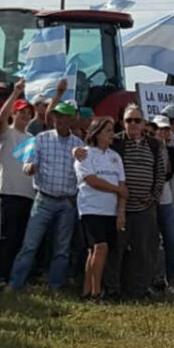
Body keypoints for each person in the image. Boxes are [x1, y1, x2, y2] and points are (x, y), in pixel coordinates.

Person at [7, 101, 84, 291]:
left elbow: (83, 175)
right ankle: (15, 284)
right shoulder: (40, 139)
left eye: (65, 116)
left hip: (67, 203)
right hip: (43, 200)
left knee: (62, 249)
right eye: (57, 116)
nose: (60, 120)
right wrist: (29, 168)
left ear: (72, 119)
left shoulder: (79, 145)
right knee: (30, 245)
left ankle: (55, 287)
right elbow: (27, 163)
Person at [102, 104, 165, 299]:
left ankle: (138, 290)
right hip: (118, 207)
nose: (133, 124)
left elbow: (160, 173)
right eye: (129, 120)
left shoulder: (155, 145)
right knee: (116, 250)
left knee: (143, 252)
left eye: (137, 120)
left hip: (144, 208)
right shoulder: (116, 142)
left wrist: (153, 198)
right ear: (123, 122)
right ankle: (112, 289)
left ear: (144, 123)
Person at [74, 117, 126, 299]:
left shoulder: (115, 157)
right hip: (90, 208)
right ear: (97, 133)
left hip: (109, 210)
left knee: (94, 251)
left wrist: (121, 212)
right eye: (108, 131)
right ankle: (97, 292)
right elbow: (91, 180)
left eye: (113, 130)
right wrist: (116, 189)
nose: (112, 134)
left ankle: (86, 291)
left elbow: (123, 187)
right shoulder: (84, 154)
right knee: (100, 247)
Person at [0, 79, 36, 279]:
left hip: (28, 194)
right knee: (6, 237)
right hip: (9, 192)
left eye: (28, 112)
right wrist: (16, 93)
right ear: (14, 113)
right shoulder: (6, 134)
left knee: (21, 238)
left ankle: (16, 277)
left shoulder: (32, 139)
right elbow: (1, 118)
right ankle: (1, 275)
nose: (25, 115)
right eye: (21, 111)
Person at [151, 115, 174, 297]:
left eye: (166, 129)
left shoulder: (171, 147)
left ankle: (170, 282)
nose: (163, 132)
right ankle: (152, 281)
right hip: (151, 201)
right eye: (160, 129)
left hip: (167, 200)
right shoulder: (149, 147)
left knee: (172, 241)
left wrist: (170, 146)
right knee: (152, 243)